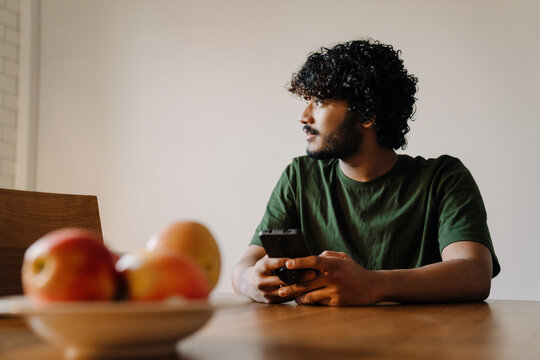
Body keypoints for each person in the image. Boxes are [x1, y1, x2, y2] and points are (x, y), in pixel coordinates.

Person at [231, 39, 500, 306]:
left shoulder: (443, 178)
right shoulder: (299, 177)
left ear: (368, 113)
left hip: (421, 342)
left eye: (320, 101)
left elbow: (474, 273)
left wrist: (372, 285)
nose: (304, 116)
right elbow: (244, 265)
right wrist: (249, 281)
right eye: (307, 100)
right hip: (317, 343)